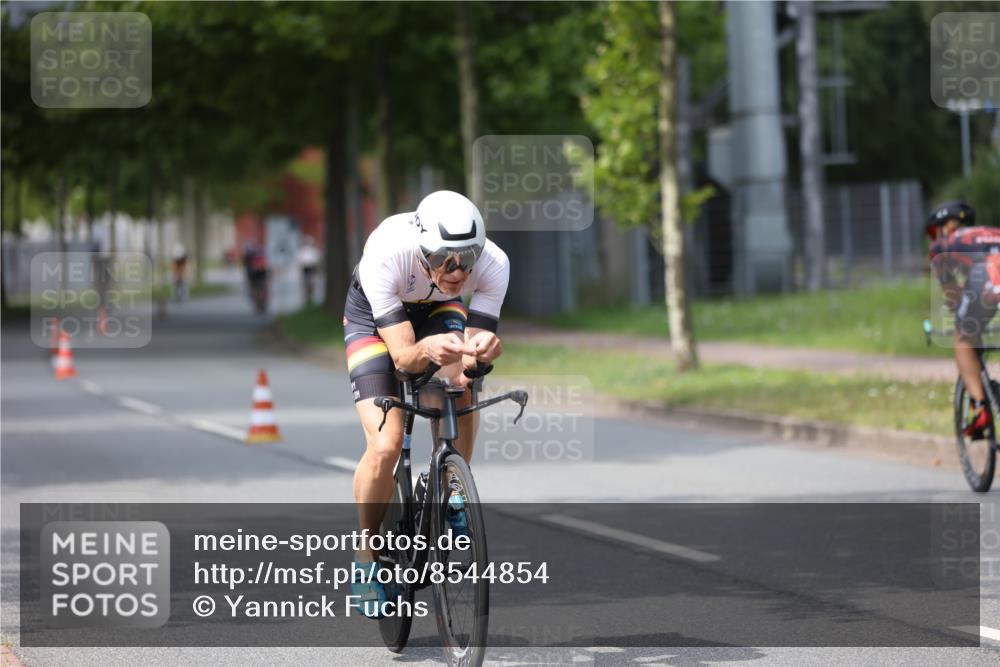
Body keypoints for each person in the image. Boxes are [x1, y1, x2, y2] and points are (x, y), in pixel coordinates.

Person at [343, 190, 509, 616]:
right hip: (376, 320)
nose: (456, 271)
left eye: (466, 258)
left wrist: (484, 352)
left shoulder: (494, 264)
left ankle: (451, 486)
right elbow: (402, 358)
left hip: (437, 309)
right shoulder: (386, 253)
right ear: (421, 252)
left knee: (460, 381)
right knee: (385, 443)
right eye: (443, 259)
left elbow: (475, 352)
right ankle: (365, 556)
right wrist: (428, 347)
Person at [927, 200, 998, 439]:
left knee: (963, 338)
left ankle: (978, 408)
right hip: (990, 278)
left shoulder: (942, 245)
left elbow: (952, 295)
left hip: (987, 278)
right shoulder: (991, 233)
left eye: (934, 230)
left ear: (946, 226)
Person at [242, 241, 269, 313]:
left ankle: (258, 302)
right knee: (262, 288)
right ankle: (262, 301)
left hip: (253, 274)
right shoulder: (264, 252)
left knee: (255, 289)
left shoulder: (249, 253)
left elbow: (246, 266)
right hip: (262, 273)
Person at [297, 235, 321, 306]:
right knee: (308, 281)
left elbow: (315, 259)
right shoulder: (303, 251)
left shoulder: (312, 250)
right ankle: (308, 293)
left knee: (310, 281)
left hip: (310, 267)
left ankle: (310, 292)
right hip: (307, 267)